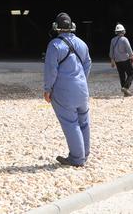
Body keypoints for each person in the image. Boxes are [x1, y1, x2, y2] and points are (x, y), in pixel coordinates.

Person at [43, 12, 92, 167]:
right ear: (72, 26)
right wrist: (81, 80)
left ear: (56, 27)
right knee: (83, 121)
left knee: (70, 122)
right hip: (82, 89)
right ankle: (84, 153)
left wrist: (47, 89)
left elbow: (51, 70)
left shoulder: (54, 45)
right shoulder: (82, 44)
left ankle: (77, 158)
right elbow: (87, 64)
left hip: (64, 91)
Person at [109, 23, 133, 96]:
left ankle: (125, 93)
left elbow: (111, 51)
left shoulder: (113, 40)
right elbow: (129, 50)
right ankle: (126, 88)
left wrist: (112, 61)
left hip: (117, 61)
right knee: (131, 73)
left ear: (116, 32)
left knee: (122, 76)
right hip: (125, 60)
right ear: (123, 31)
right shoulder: (124, 39)